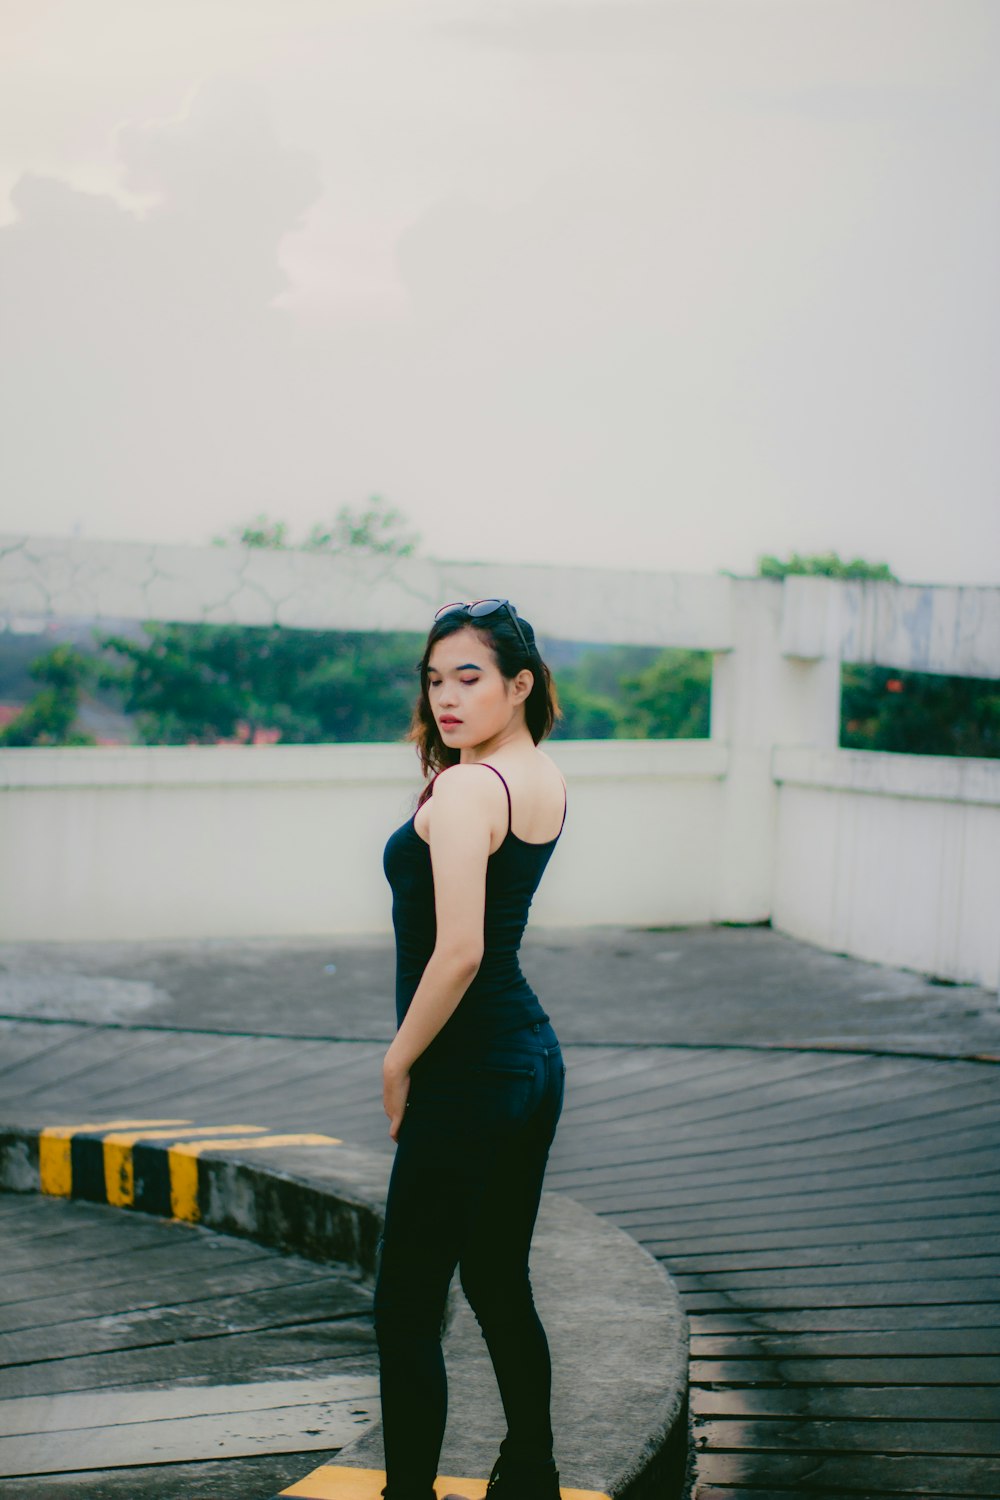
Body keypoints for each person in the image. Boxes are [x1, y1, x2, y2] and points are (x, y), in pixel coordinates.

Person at [377, 598, 568, 1500]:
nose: (445, 698)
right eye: (434, 678)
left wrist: (397, 1060)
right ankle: (530, 1469)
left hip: (469, 1065)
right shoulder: (537, 776)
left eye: (469, 678)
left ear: (519, 684)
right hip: (529, 1058)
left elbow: (459, 952)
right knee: (496, 1279)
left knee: (407, 1306)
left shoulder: (465, 789)